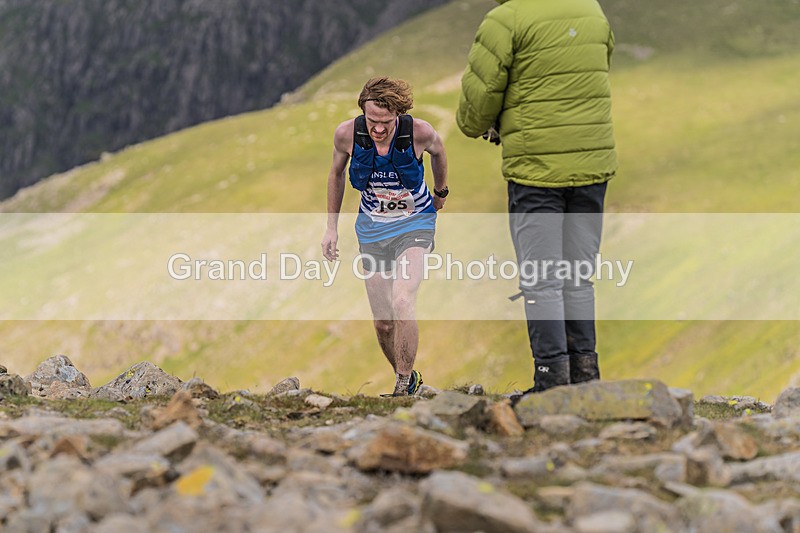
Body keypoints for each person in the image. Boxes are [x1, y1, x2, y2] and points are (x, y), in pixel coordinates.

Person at [456, 0, 617, 394]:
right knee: (578, 276)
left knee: (542, 280)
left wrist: (492, 120)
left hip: (536, 170)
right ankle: (585, 375)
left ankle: (551, 380)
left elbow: (475, 110)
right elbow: (597, 63)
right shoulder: (592, 11)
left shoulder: (506, 20)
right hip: (593, 162)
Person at [322, 77, 449, 396]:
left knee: (403, 299)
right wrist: (331, 228)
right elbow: (336, 174)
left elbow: (439, 153)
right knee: (383, 323)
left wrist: (441, 191)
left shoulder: (418, 132)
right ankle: (409, 378)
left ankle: (402, 387)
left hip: (414, 224)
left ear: (398, 114)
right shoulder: (346, 134)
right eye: (372, 121)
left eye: (386, 122)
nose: (378, 128)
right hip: (372, 229)